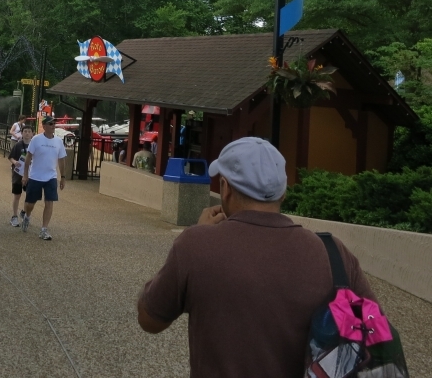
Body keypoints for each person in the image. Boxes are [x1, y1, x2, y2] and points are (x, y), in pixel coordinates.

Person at [136, 137, 378, 378]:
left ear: (226, 188)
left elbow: (150, 319)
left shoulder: (196, 245)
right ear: (282, 193)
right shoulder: (333, 253)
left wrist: (198, 235)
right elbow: (374, 332)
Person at [21, 116, 66, 240]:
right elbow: (28, 157)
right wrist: (25, 175)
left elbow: (61, 160)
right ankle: (27, 216)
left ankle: (44, 229)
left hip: (51, 177)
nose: (53, 126)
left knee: (49, 202)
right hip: (35, 176)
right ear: (44, 126)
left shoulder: (58, 141)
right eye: (51, 124)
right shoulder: (36, 139)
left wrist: (63, 177)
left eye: (54, 124)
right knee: (30, 203)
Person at [8, 125, 33, 226]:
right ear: (22, 133)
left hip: (30, 173)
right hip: (18, 173)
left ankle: (24, 211)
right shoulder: (18, 145)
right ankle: (14, 216)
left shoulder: (34, 145)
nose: (27, 133)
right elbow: (11, 157)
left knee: (29, 195)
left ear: (32, 133)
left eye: (29, 131)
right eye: (25, 131)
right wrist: (15, 162)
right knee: (17, 195)